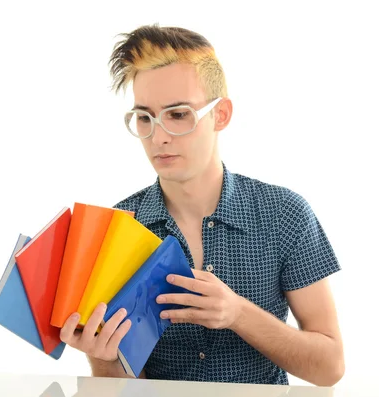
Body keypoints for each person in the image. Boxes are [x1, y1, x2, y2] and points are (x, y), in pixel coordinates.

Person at [60, 23, 344, 387]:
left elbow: (330, 366)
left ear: (220, 114)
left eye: (178, 114)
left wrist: (237, 313)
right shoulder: (120, 227)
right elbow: (124, 388)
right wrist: (104, 357)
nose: (158, 136)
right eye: (145, 118)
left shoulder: (284, 214)